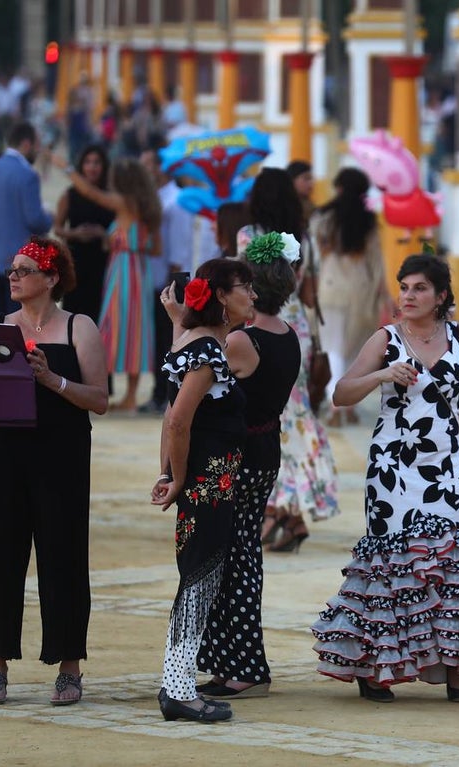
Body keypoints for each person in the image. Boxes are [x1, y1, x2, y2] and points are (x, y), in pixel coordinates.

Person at [311, 253, 459, 703]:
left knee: (449, 559)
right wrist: (383, 373)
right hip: (393, 466)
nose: (408, 296)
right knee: (393, 561)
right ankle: (377, 667)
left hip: (445, 466)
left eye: (419, 288)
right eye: (404, 287)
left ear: (441, 295)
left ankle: (455, 666)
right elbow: (342, 393)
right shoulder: (386, 338)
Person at [0, 236, 108, 706]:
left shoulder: (79, 328)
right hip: (2, 456)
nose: (14, 276)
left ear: (52, 277)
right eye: (12, 270)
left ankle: (69, 666)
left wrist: (51, 379)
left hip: (60, 458)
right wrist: (5, 378)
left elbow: (99, 399)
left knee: (63, 558)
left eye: (24, 269)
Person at [191, 233, 300, 698]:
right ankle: (236, 664)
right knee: (242, 555)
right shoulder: (288, 336)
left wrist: (184, 324)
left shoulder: (241, 340)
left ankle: (245, 668)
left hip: (239, 456)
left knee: (233, 558)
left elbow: (190, 382)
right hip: (265, 451)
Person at [150, 258, 255, 723]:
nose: (251, 295)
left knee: (199, 577)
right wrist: (175, 478)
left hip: (209, 479)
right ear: (219, 296)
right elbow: (177, 420)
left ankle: (178, 684)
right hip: (209, 481)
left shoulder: (196, 343)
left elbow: (173, 417)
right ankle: (176, 689)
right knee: (199, 579)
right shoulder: (209, 351)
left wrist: (170, 473)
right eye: (243, 288)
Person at [236, 167, 335, 551]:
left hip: (259, 328)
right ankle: (290, 513)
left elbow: (242, 286)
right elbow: (310, 297)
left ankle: (278, 508)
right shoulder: (305, 240)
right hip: (295, 332)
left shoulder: (248, 236)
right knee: (295, 416)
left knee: (263, 415)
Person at [55, 153, 162, 410]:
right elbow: (156, 249)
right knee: (136, 330)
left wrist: (68, 167)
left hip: (122, 271)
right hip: (140, 270)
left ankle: (126, 397)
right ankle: (131, 395)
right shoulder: (148, 206)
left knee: (115, 327)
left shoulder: (127, 203)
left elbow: (92, 194)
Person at [309, 167, 395, 427]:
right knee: (354, 351)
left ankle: (336, 406)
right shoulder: (368, 222)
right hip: (361, 290)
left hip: (330, 288)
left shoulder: (322, 219)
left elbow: (312, 258)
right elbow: (377, 263)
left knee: (333, 349)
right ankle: (350, 406)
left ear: (339, 189)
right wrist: (385, 296)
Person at [0, 121, 54, 315]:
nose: (37, 151)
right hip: (17, 263)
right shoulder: (27, 175)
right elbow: (35, 220)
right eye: (36, 146)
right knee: (16, 325)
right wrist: (50, 217)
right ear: (26, 144)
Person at [139, 139, 196, 415]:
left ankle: (166, 393)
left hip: (170, 281)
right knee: (157, 339)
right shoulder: (156, 199)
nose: (145, 169)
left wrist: (171, 286)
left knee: (168, 339)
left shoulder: (176, 201)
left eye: (149, 164)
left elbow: (178, 248)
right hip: (154, 279)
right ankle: (158, 391)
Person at [53, 145, 114, 324]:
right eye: (88, 162)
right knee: (72, 315)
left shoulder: (111, 197)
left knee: (99, 316)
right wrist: (75, 233)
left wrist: (103, 234)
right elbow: (57, 228)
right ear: (81, 166)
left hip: (104, 263)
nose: (92, 167)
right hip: (76, 262)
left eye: (96, 162)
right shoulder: (70, 194)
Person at [286, 159, 316, 228]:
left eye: (311, 179)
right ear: (292, 180)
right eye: (306, 178)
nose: (311, 183)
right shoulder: (285, 209)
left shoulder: (311, 208)